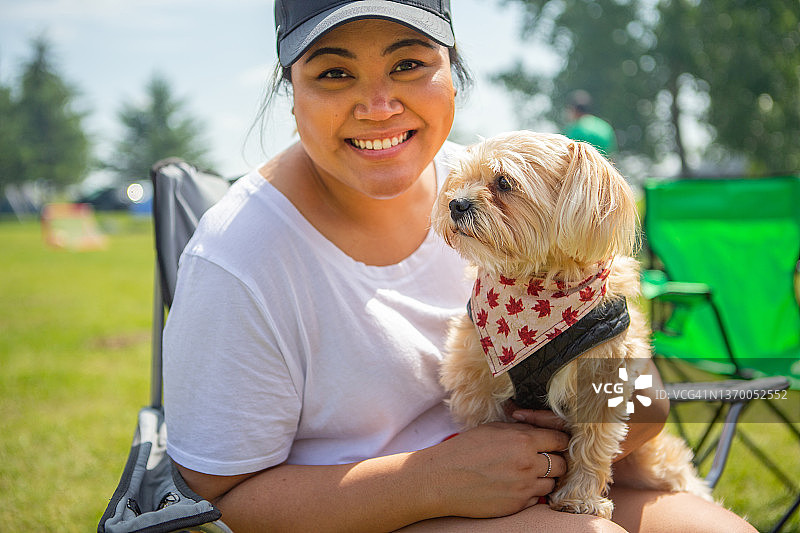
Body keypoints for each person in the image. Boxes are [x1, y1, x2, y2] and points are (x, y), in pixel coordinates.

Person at [162, 1, 756, 531]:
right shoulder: (238, 259)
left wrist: (599, 418)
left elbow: (641, 408)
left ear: (452, 74)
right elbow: (217, 495)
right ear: (290, 92)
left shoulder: (508, 190)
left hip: (557, 479)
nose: (378, 106)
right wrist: (425, 482)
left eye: (409, 64)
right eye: (334, 72)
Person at [563, 90, 618, 156]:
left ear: (574, 109)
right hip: (603, 165)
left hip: (584, 165)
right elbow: (612, 151)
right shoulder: (605, 126)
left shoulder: (575, 129)